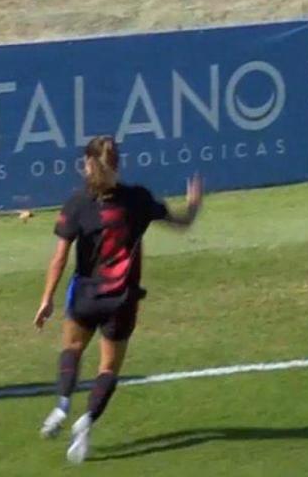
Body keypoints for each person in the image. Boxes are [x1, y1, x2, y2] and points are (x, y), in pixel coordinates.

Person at [34, 135, 202, 463]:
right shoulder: (138, 199)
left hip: (85, 296)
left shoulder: (77, 204)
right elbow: (181, 222)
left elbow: (59, 258)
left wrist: (46, 299)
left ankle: (62, 406)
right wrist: (194, 205)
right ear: (118, 165)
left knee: (72, 349)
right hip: (121, 299)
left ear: (87, 165)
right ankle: (86, 421)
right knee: (108, 367)